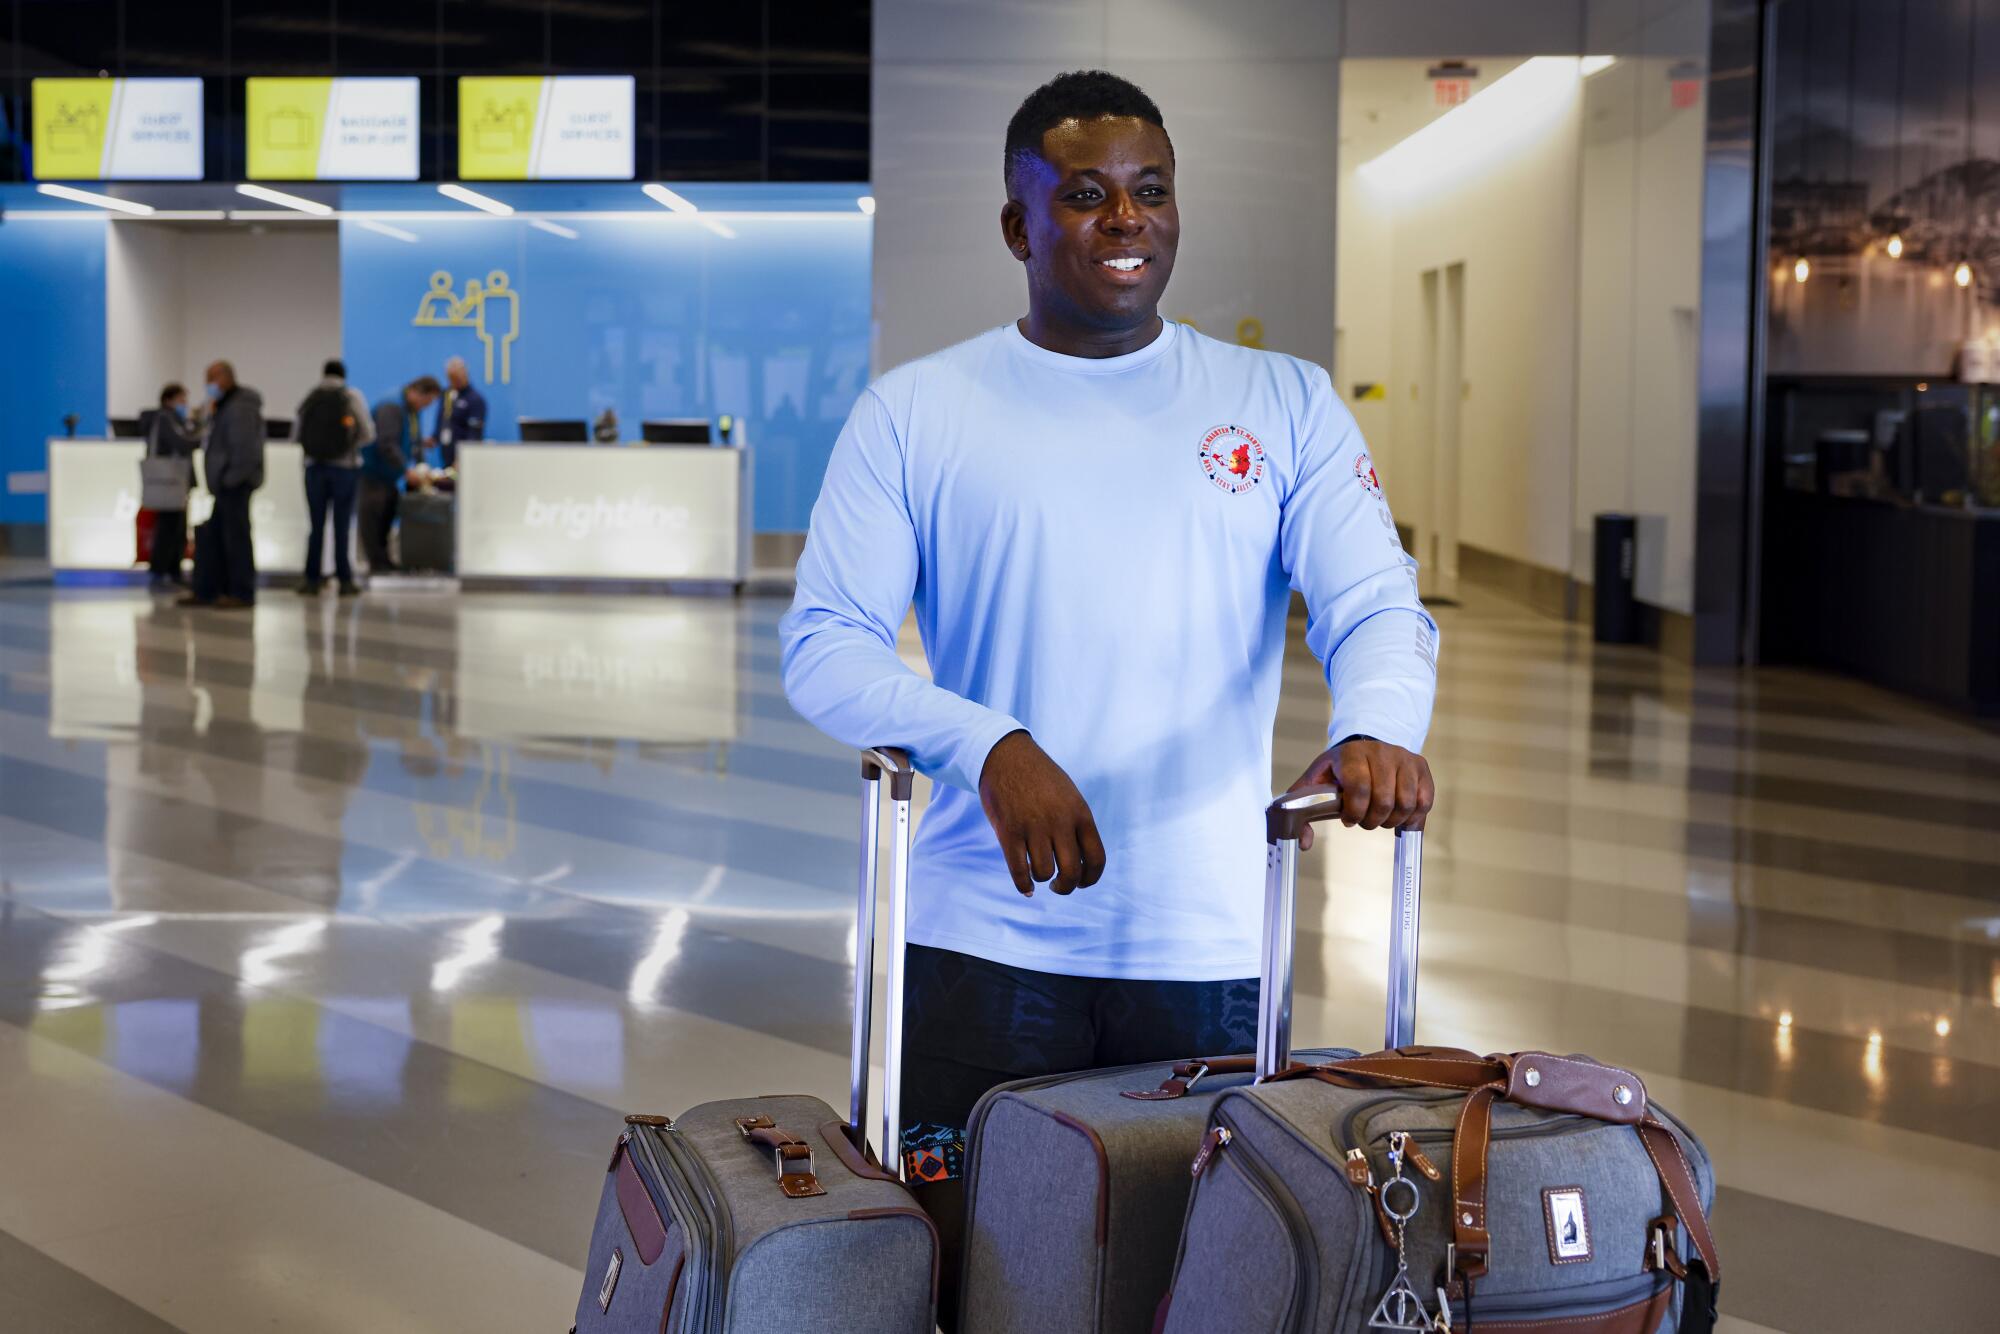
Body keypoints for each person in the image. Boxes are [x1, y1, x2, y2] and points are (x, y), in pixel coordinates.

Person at [779, 70, 1439, 1322]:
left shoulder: (1278, 403)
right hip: (981, 947)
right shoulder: (917, 411)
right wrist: (982, 741)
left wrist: (1375, 725)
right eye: (1083, 196)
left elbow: (1374, 604)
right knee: (979, 1281)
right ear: (1020, 229)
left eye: (1148, 192)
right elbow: (825, 642)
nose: (1124, 219)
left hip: (1205, 947)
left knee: (1192, 1289)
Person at [180, 360, 264, 608]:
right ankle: (209, 590)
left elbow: (245, 449)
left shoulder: (240, 408)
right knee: (214, 538)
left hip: (235, 484)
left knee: (236, 538)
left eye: (211, 379)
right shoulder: (225, 407)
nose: (208, 386)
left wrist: (230, 478)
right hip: (225, 484)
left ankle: (241, 592)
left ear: (226, 378)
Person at [293, 358, 376, 597]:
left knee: (315, 526)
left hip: (314, 469)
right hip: (345, 469)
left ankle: (311, 579)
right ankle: (345, 580)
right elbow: (368, 433)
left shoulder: (311, 397)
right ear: (343, 375)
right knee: (341, 526)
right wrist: (347, 446)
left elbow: (296, 435)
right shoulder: (351, 396)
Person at [359, 376, 442, 574]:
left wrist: (421, 465)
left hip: (389, 476)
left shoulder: (412, 411)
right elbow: (386, 444)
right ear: (417, 392)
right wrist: (406, 470)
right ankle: (376, 564)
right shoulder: (391, 407)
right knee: (373, 519)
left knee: (387, 516)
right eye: (427, 401)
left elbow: (412, 440)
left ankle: (384, 561)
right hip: (374, 473)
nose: (426, 407)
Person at [140, 382, 200, 591]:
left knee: (175, 526)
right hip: (171, 480)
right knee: (170, 527)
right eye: (181, 400)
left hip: (176, 482)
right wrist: (204, 431)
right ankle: (165, 570)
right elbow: (183, 442)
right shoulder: (166, 419)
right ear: (168, 400)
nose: (185, 404)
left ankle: (170, 570)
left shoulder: (175, 420)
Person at [429, 355, 486, 469]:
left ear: (465, 374)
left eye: (456, 378)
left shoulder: (475, 399)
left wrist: (462, 458)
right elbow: (442, 417)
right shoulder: (446, 393)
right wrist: (434, 437)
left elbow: (475, 433)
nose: (453, 381)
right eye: (450, 378)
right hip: (446, 453)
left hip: (463, 458)